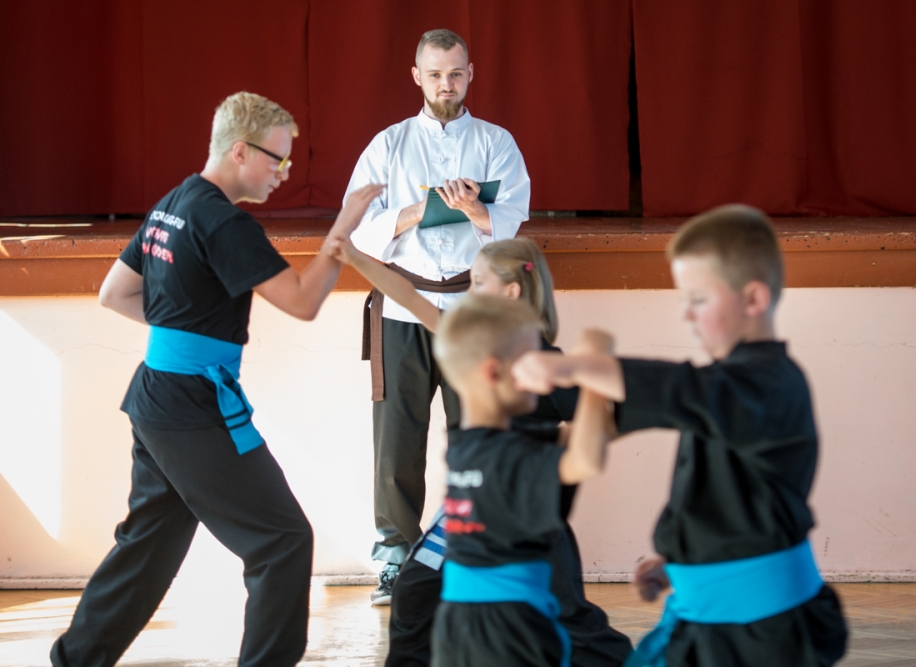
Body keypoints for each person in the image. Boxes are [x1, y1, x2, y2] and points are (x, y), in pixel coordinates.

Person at [50, 91, 384, 667]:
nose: (284, 173)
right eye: (277, 159)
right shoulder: (225, 223)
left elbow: (115, 294)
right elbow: (303, 302)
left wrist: (183, 332)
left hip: (156, 396)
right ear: (239, 151)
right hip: (190, 407)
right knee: (282, 541)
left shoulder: (174, 202)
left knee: (147, 548)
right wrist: (342, 232)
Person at [513, 205, 849, 667]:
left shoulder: (770, 383)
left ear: (753, 298)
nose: (686, 314)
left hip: (763, 633)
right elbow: (734, 505)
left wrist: (570, 366)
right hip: (715, 616)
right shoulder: (726, 387)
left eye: (698, 299)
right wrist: (683, 564)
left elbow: (676, 390)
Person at [327, 233, 633, 666]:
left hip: (525, 515)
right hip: (470, 502)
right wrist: (356, 256)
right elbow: (408, 298)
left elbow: (602, 419)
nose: (468, 291)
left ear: (511, 291)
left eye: (478, 281)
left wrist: (595, 372)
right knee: (414, 587)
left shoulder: (545, 361)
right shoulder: (472, 338)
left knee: (568, 614)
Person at [344, 27, 530, 603]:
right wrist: (415, 212)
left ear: (470, 74)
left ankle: (478, 555)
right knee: (397, 443)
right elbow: (355, 228)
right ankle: (395, 559)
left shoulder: (497, 143)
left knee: (479, 437)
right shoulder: (389, 146)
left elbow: (514, 217)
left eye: (455, 74)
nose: (445, 85)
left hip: (475, 312)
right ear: (416, 77)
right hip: (406, 305)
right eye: (435, 75)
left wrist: (474, 208)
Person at [426, 294, 614, 667]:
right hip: (508, 626)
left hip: (459, 623)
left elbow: (586, 436)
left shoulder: (468, 446)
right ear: (495, 373)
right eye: (533, 361)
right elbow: (586, 459)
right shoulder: (505, 456)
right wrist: (593, 368)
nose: (545, 373)